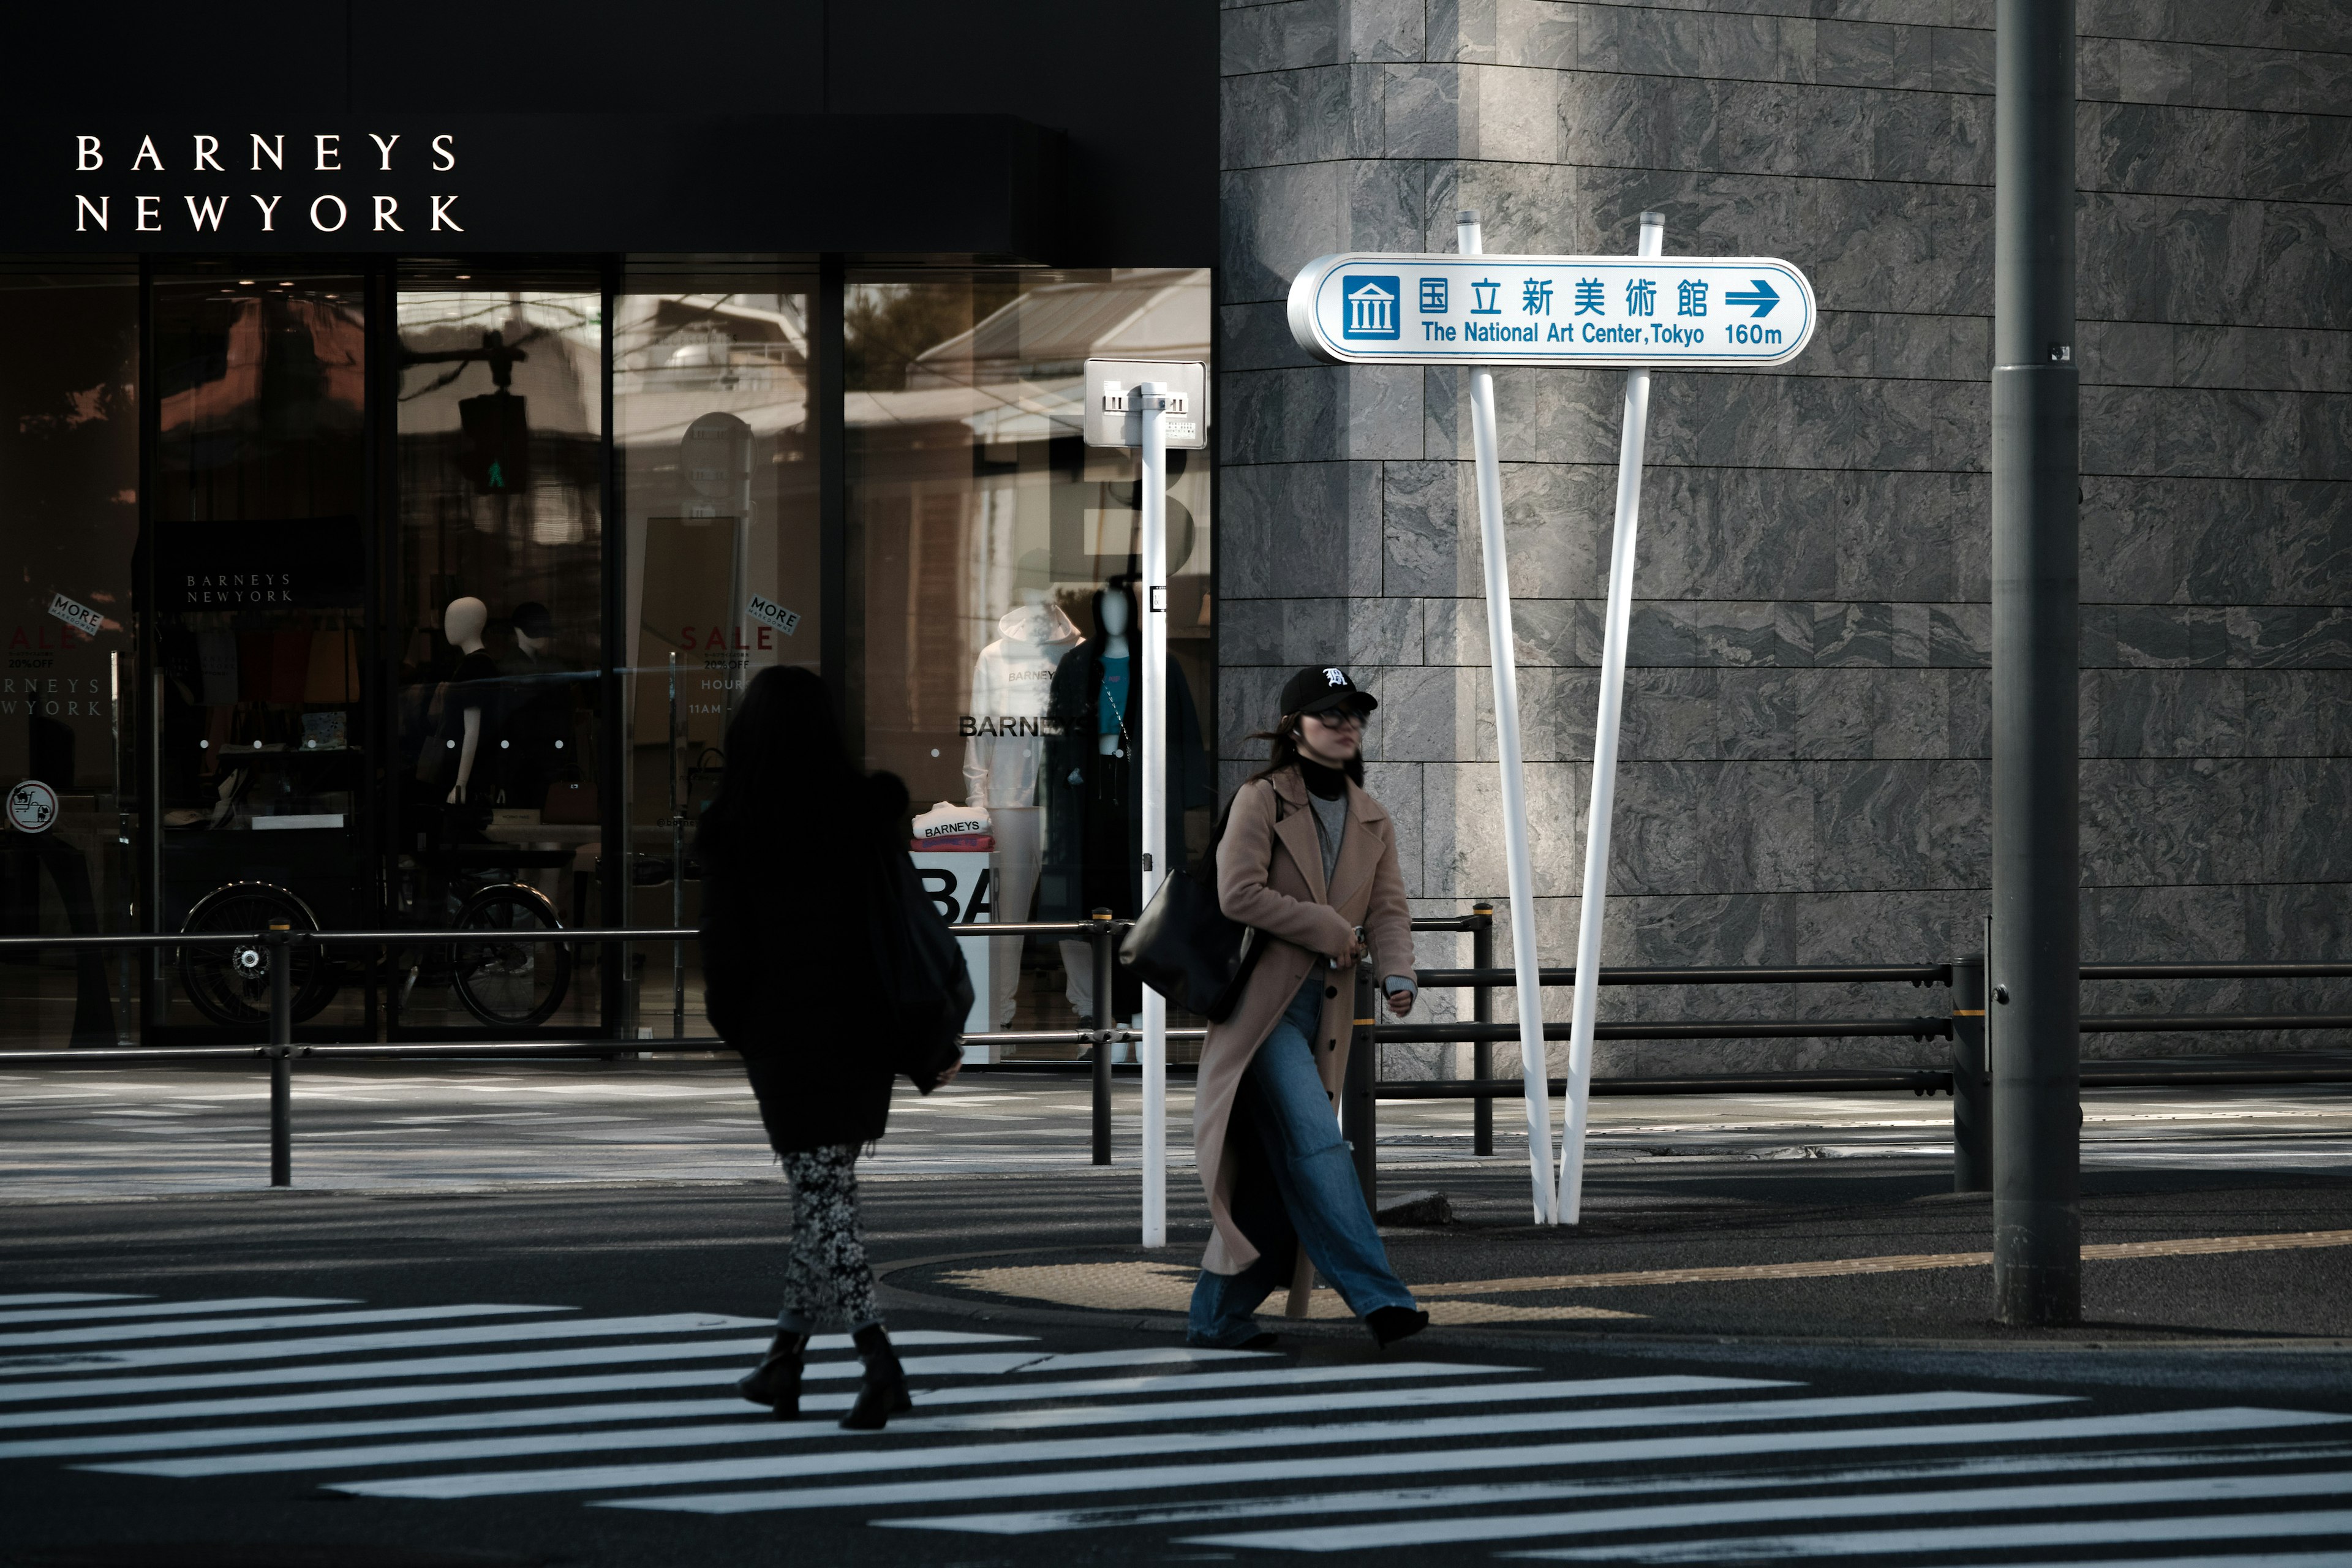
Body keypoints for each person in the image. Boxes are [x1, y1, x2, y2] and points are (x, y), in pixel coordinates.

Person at [696, 665, 957, 1430]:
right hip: (860, 1035)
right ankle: (785, 1360)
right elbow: (900, 925)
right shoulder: (862, 812)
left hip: (786, 1039)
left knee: (825, 1203)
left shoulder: (737, 825)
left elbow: (725, 955)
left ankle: (880, 1363)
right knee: (823, 1199)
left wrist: (739, 1027)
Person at [1188, 665, 1428, 1350]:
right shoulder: (1262, 799)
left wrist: (1398, 974)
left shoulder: (1371, 815)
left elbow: (1388, 908)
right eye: (1331, 715)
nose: (1347, 725)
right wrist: (1326, 927)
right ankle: (1381, 1299)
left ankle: (1217, 1316)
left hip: (1322, 1018)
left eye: (1355, 714)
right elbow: (1238, 895)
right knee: (1321, 1145)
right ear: (1295, 730)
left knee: (1276, 1175)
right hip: (1261, 1012)